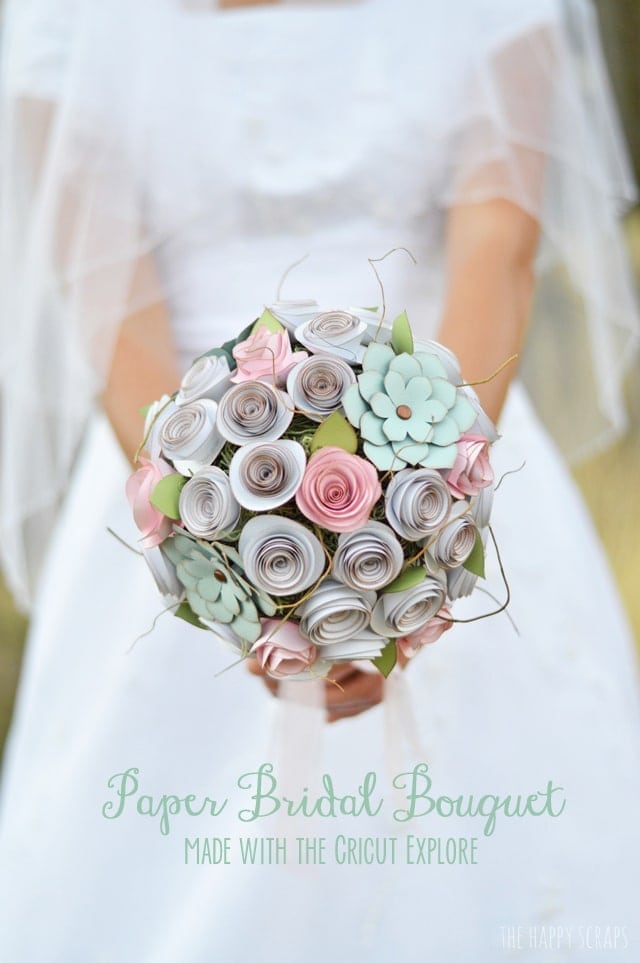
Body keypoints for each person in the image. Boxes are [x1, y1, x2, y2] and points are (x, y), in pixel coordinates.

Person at [0, 0, 639, 959]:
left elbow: (497, 253)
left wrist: (422, 530)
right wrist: (229, 564)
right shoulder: (68, 18)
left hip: (447, 429)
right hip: (186, 473)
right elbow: (108, 299)